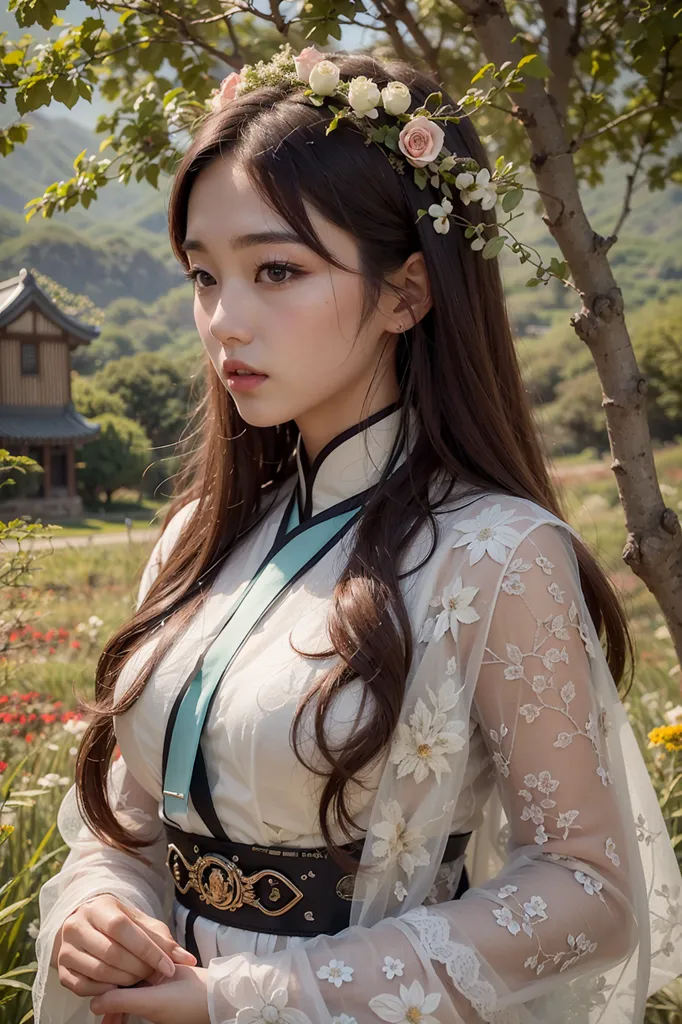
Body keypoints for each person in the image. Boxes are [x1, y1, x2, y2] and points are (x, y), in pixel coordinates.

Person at [33, 45, 682, 1024]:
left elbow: (589, 893)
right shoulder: (193, 544)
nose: (223, 323)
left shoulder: (495, 554)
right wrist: (100, 906)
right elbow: (132, 828)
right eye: (204, 277)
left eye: (276, 270)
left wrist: (251, 997)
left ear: (406, 293)